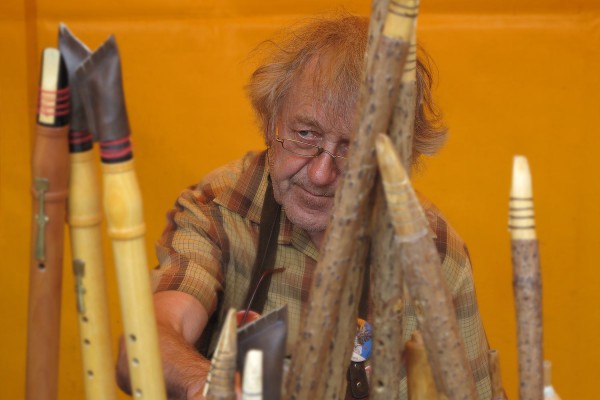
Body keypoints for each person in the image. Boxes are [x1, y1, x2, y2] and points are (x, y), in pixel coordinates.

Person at [116, 13, 492, 400]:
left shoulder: (432, 251)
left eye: (353, 150)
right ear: (270, 123)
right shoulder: (222, 208)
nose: (320, 173)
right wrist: (205, 383)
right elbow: (146, 342)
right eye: (305, 134)